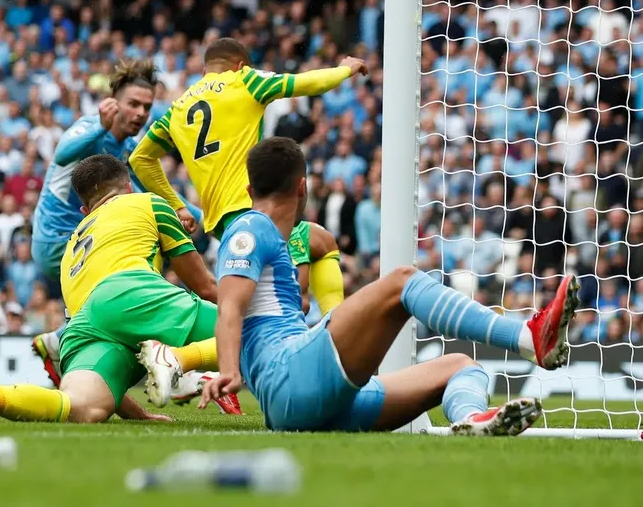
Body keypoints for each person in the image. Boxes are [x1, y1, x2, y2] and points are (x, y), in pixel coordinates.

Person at [191, 138, 573, 435]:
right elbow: (229, 308)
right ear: (303, 186)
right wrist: (229, 371)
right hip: (288, 376)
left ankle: (472, 420)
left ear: (247, 187)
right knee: (402, 282)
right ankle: (527, 337)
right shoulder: (250, 227)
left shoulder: (277, 237)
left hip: (319, 402)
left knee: (461, 366)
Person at [130, 38, 363, 393]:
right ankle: (340, 350)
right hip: (257, 211)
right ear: (239, 64)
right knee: (289, 298)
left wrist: (178, 204)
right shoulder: (245, 81)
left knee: (316, 248)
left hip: (226, 221)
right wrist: (346, 68)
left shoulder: (178, 107)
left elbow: (140, 160)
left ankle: (182, 361)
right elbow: (306, 83)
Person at [0, 155, 237, 422]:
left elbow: (107, 323)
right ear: (129, 187)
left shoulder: (72, 245)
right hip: (132, 291)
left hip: (86, 323)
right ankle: (176, 359)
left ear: (85, 210)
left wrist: (141, 416)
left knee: (81, 407)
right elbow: (207, 287)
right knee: (252, 331)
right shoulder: (147, 203)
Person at [28, 59, 206, 384]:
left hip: (84, 239)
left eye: (146, 106)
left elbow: (143, 193)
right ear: (113, 103)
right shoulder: (87, 127)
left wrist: (195, 214)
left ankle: (64, 341)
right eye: (133, 104)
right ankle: (178, 367)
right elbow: (62, 154)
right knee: (143, 258)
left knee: (142, 247)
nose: (140, 113)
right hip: (58, 240)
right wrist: (100, 125)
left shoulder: (129, 148)